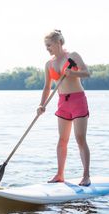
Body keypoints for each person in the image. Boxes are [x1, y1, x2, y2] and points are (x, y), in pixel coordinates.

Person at [37, 29, 91, 186]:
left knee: (80, 138)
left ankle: (86, 176)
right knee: (62, 140)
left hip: (78, 100)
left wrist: (73, 73)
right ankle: (60, 174)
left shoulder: (72, 56)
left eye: (49, 45)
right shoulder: (49, 64)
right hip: (62, 103)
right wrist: (41, 104)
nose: (47, 48)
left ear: (58, 42)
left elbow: (87, 73)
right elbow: (47, 87)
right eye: (46, 46)